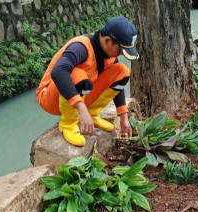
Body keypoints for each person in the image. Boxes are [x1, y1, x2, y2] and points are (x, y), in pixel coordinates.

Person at [36, 16, 138, 146]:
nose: (121, 54)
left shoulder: (109, 54)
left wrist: (123, 116)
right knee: (76, 74)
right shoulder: (81, 47)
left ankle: (92, 113)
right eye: (120, 50)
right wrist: (81, 108)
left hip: (80, 93)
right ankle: (68, 123)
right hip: (51, 97)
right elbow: (58, 72)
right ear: (107, 40)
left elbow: (116, 80)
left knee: (122, 71)